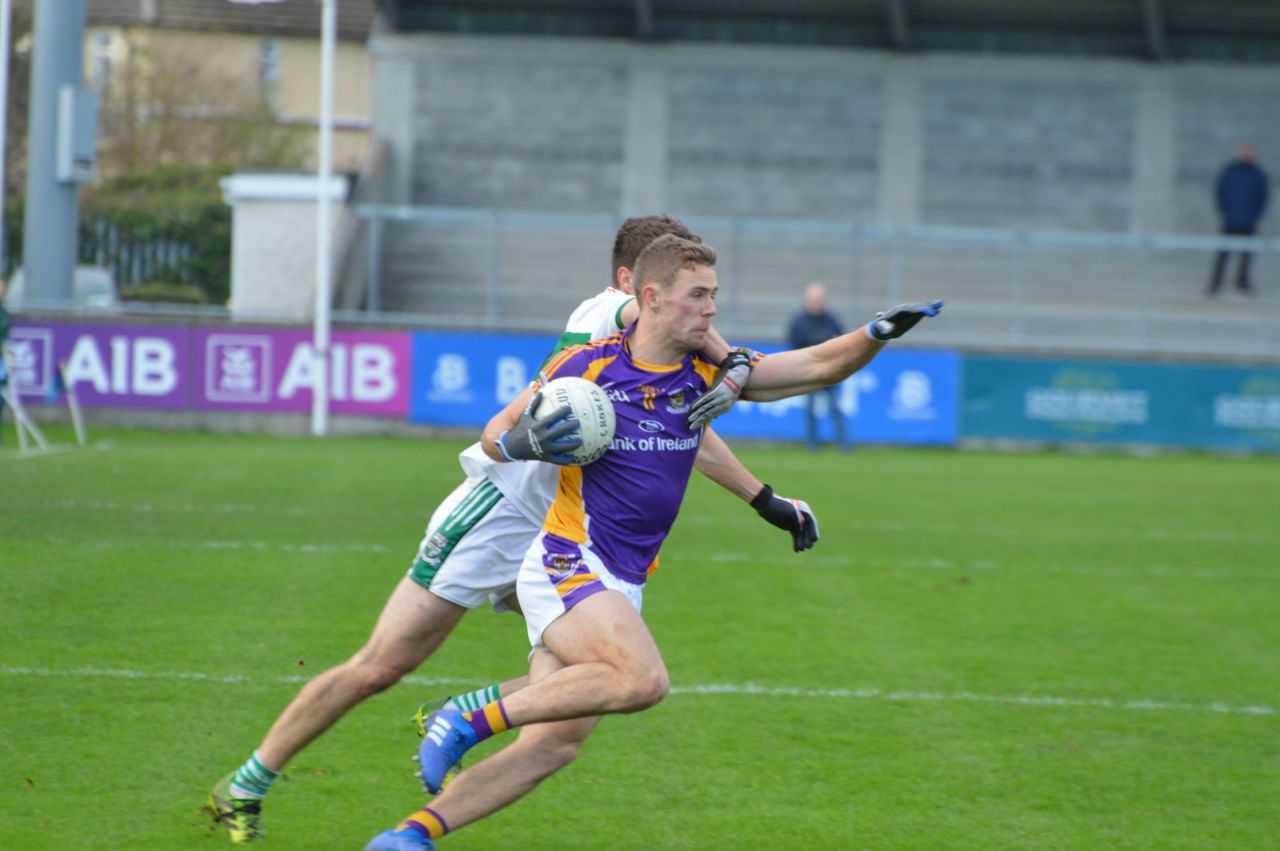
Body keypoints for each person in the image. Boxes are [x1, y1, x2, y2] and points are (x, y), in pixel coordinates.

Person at [205, 216, 818, 844]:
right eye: (694, 295)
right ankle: (248, 781)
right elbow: (704, 368)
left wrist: (761, 496)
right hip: (501, 513)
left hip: (573, 530)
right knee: (384, 663)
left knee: (565, 729)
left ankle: (432, 788)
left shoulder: (666, 345)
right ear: (635, 286)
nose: (708, 313)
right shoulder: (610, 315)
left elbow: (688, 426)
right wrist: (739, 372)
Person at [366, 236, 942, 850]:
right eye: (699, 296)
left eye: (715, 296)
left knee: (555, 743)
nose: (711, 310)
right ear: (652, 297)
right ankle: (467, 717)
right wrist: (522, 444)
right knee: (643, 681)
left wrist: (877, 332)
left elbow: (817, 366)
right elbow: (495, 435)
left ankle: (410, 835)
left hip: (623, 578)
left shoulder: (704, 375)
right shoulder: (586, 367)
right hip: (568, 559)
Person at [786, 281, 847, 449]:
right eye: (813, 300)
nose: (816, 303)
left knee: (836, 410)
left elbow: (843, 343)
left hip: (830, 372)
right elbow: (793, 345)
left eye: (819, 300)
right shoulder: (799, 322)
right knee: (810, 411)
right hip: (808, 372)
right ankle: (812, 446)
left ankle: (844, 446)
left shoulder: (832, 321)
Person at [1208, 143, 1269, 296]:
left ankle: (1242, 281)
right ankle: (1216, 282)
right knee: (1224, 253)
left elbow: (1263, 197)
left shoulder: (1257, 174)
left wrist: (1255, 215)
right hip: (1230, 220)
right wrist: (1226, 212)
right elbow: (1220, 192)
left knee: (1246, 254)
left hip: (1249, 221)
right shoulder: (1230, 171)